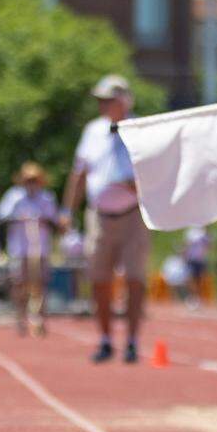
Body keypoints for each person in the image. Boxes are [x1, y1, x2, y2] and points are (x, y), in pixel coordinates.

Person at [61, 75, 149, 363]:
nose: (102, 105)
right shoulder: (92, 131)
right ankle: (105, 339)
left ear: (124, 100)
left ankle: (133, 340)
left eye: (107, 99)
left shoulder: (141, 129)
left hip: (133, 214)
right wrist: (67, 211)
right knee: (99, 279)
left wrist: (134, 184)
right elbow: (79, 173)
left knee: (135, 280)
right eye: (99, 100)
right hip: (98, 216)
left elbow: (154, 171)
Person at [0, 162, 61, 336]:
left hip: (40, 249)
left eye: (34, 180)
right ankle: (20, 318)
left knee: (40, 284)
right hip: (19, 248)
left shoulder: (47, 197)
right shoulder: (14, 196)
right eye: (28, 180)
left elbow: (55, 220)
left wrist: (42, 219)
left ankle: (40, 319)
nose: (31, 183)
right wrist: (18, 218)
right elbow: (0, 215)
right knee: (19, 284)